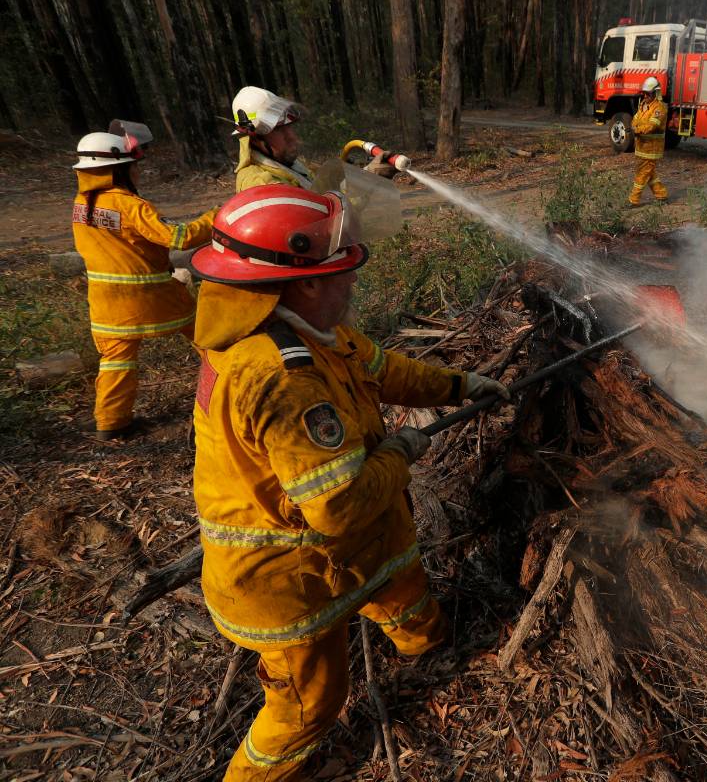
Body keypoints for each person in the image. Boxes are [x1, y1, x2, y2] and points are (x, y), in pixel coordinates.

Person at [187, 184, 508, 780]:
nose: (353, 283)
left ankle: (427, 649)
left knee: (402, 587)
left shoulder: (300, 332)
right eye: (345, 271)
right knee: (310, 706)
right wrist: (403, 451)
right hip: (289, 581)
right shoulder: (283, 377)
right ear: (305, 282)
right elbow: (339, 507)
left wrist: (460, 385)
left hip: (353, 549)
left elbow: (382, 369)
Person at [71, 122, 214, 440]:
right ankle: (229, 391)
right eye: (133, 166)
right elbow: (179, 237)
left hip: (105, 303)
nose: (137, 172)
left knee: (115, 361)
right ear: (117, 170)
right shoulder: (130, 206)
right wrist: (216, 216)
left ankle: (111, 423)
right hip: (151, 296)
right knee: (208, 337)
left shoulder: (82, 204)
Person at [230, 86, 398, 192]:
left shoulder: (287, 166)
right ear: (254, 138)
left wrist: (363, 175)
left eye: (290, 128)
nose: (293, 138)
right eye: (280, 131)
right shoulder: (260, 183)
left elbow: (322, 192)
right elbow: (316, 219)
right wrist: (368, 181)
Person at [628, 77, 669, 206]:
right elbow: (635, 120)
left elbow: (652, 126)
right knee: (649, 173)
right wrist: (635, 127)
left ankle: (634, 200)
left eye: (648, 93)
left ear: (656, 93)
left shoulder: (659, 108)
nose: (645, 95)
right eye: (644, 93)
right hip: (641, 147)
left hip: (652, 149)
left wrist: (637, 130)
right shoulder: (643, 105)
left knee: (642, 173)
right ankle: (661, 195)